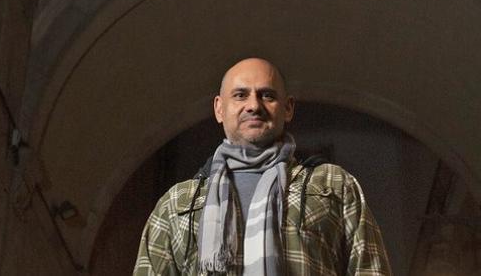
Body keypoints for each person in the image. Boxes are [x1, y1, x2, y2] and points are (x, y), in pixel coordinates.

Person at [134, 58, 391, 275]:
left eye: (267, 95)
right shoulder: (177, 203)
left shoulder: (333, 185)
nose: (254, 105)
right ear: (219, 108)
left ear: (288, 108)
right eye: (240, 95)